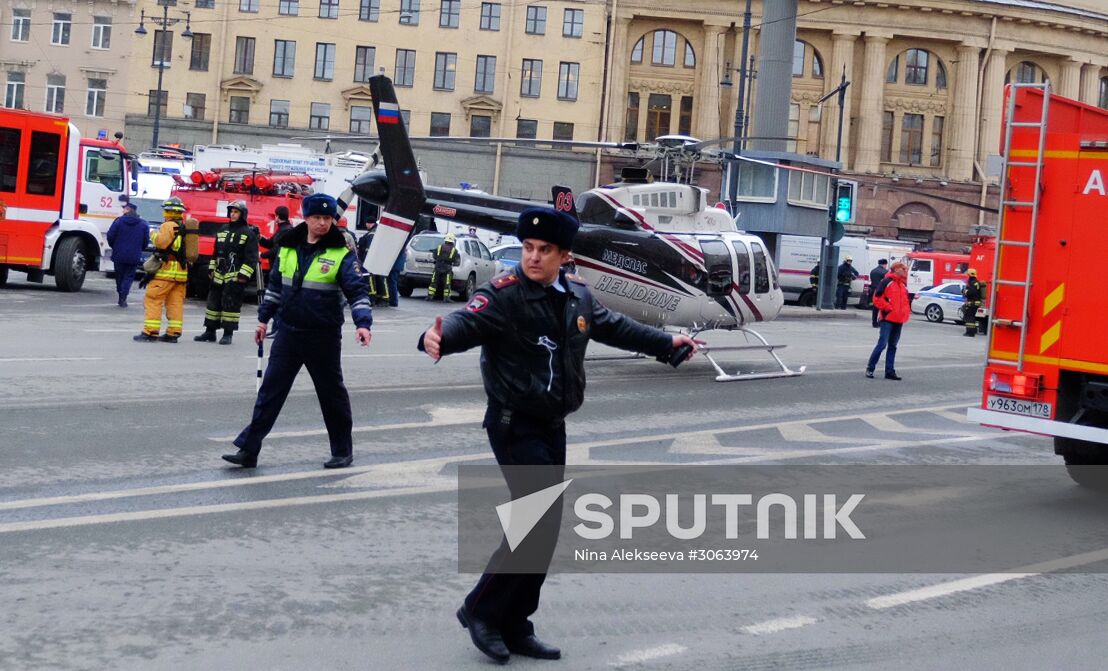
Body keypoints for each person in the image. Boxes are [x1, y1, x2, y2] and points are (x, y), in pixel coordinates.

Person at [419, 207, 701, 664]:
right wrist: (437, 339)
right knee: (534, 523)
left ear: (564, 256)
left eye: (543, 250)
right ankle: (480, 610)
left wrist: (666, 344)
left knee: (543, 532)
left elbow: (616, 327)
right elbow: (464, 322)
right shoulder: (505, 295)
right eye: (528, 248)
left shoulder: (577, 296)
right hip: (514, 424)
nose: (532, 257)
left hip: (553, 424)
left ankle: (514, 622)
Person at [222, 194, 372, 470]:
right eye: (317, 218)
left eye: (328, 218)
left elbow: (357, 291)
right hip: (288, 333)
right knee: (269, 393)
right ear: (306, 217)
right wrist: (263, 320)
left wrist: (363, 323)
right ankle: (249, 449)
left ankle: (342, 450)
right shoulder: (288, 248)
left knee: (331, 396)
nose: (323, 223)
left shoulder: (340, 252)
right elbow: (276, 288)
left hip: (323, 336)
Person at [194, 200, 258, 345]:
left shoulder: (248, 233)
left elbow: (252, 258)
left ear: (242, 214)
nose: (233, 214)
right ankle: (210, 332)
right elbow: (215, 252)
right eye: (231, 211)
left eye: (236, 212)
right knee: (213, 303)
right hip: (218, 274)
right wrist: (211, 268)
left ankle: (227, 334)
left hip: (235, 276)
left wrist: (243, 275)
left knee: (231, 305)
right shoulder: (223, 229)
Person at [134, 197, 190, 343]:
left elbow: (162, 243)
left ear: (169, 211)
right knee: (175, 303)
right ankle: (173, 333)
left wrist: (153, 234)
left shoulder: (168, 225)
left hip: (165, 272)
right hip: (181, 273)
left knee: (153, 299)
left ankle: (150, 332)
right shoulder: (185, 227)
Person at [866, 261, 910, 380]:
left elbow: (904, 302)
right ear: (896, 269)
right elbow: (877, 298)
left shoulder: (902, 284)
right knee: (882, 344)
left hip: (898, 319)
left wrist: (905, 313)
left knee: (893, 346)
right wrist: (888, 309)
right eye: (903, 269)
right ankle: (870, 368)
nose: (905, 271)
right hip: (888, 318)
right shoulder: (887, 281)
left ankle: (889, 371)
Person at [259, 206, 294, 339]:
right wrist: (260, 238)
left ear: (277, 216)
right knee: (277, 300)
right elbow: (270, 244)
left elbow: (276, 250)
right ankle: (276, 328)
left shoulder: (285, 231)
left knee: (277, 300)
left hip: (280, 268)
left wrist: (262, 255)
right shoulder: (283, 229)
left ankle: (277, 329)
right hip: (277, 267)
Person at [106, 198, 148, 308]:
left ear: (128, 209)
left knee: (119, 276)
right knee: (128, 277)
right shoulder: (143, 224)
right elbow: (146, 241)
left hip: (119, 255)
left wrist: (114, 246)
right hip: (134, 256)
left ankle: (121, 295)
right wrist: (139, 249)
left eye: (124, 208)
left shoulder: (118, 222)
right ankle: (123, 297)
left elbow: (110, 236)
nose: (123, 210)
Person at [428, 233, 459, 302]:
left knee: (434, 282)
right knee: (447, 283)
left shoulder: (439, 247)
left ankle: (430, 296)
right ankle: (446, 298)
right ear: (453, 241)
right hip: (447, 268)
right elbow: (455, 261)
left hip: (438, 267)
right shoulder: (454, 250)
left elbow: (434, 256)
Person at [961, 268, 984, 337]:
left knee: (969, 317)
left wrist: (964, 291)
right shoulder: (975, 282)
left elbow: (971, 293)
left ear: (970, 275)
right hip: (975, 302)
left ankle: (970, 332)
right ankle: (971, 331)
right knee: (971, 316)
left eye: (967, 275)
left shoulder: (973, 283)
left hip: (973, 303)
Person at [868, 258, 889, 327]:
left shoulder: (872, 271)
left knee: (875, 308)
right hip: (882, 291)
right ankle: (880, 321)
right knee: (883, 308)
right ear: (884, 264)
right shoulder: (885, 272)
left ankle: (874, 322)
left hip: (873, 290)